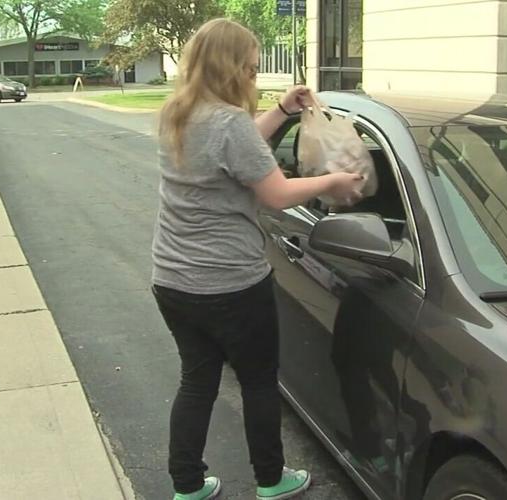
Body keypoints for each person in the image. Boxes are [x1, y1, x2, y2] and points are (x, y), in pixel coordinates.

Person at [151, 18, 365, 500]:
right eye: (249, 67)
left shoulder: (176, 114)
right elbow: (277, 194)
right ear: (231, 68)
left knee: (197, 380)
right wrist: (333, 182)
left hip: (172, 279)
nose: (252, 75)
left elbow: (238, 146)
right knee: (259, 382)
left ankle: (187, 486)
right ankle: (271, 480)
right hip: (229, 284)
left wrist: (283, 110)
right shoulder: (227, 123)